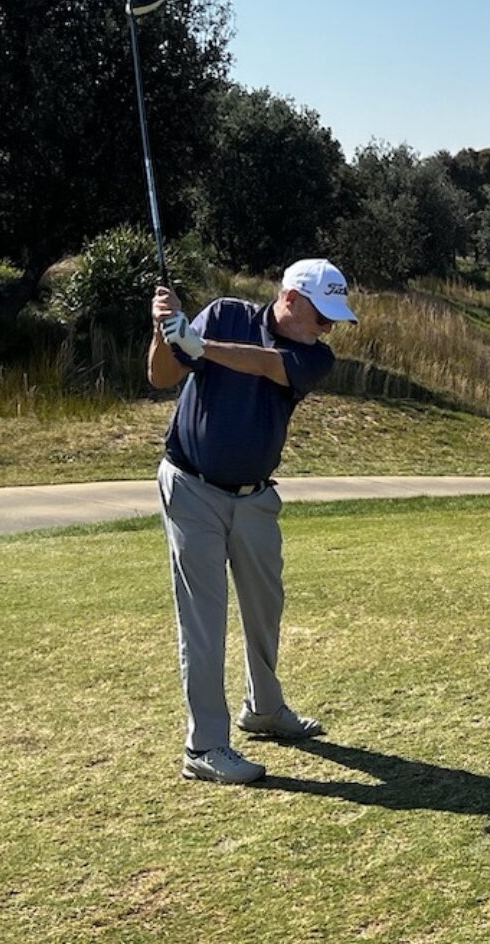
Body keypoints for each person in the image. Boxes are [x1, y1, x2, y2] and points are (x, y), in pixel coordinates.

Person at [147, 258, 358, 784]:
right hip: (192, 486)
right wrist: (165, 332)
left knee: (265, 606)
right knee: (204, 618)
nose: (328, 328)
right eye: (322, 315)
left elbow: (265, 366)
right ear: (290, 299)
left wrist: (200, 345)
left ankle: (263, 709)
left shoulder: (314, 357)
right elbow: (162, 375)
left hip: (256, 497)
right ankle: (205, 746)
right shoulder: (224, 314)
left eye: (334, 318)